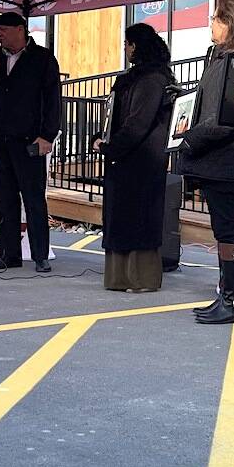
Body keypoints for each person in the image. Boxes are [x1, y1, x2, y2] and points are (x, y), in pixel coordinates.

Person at [178, 0, 234, 325]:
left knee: (229, 233)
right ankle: (227, 294)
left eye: (217, 18)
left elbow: (223, 118)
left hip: (228, 160)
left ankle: (231, 298)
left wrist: (189, 140)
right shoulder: (222, 59)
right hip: (220, 158)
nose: (210, 23)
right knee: (225, 231)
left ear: (232, 24)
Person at [0, 12, 61, 273]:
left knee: (33, 198)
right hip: (0, 137)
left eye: (5, 30)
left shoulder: (42, 58)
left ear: (21, 30)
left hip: (29, 138)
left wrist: (47, 134)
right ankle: (8, 254)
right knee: (4, 197)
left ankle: (40, 255)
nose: (0, 35)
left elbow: (53, 100)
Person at [94, 24, 176, 292]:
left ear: (138, 46)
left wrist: (109, 147)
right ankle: (122, 278)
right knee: (125, 217)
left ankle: (139, 279)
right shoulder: (139, 77)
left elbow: (137, 123)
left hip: (141, 160)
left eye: (128, 43)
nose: (126, 48)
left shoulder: (151, 79)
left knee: (137, 218)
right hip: (129, 158)